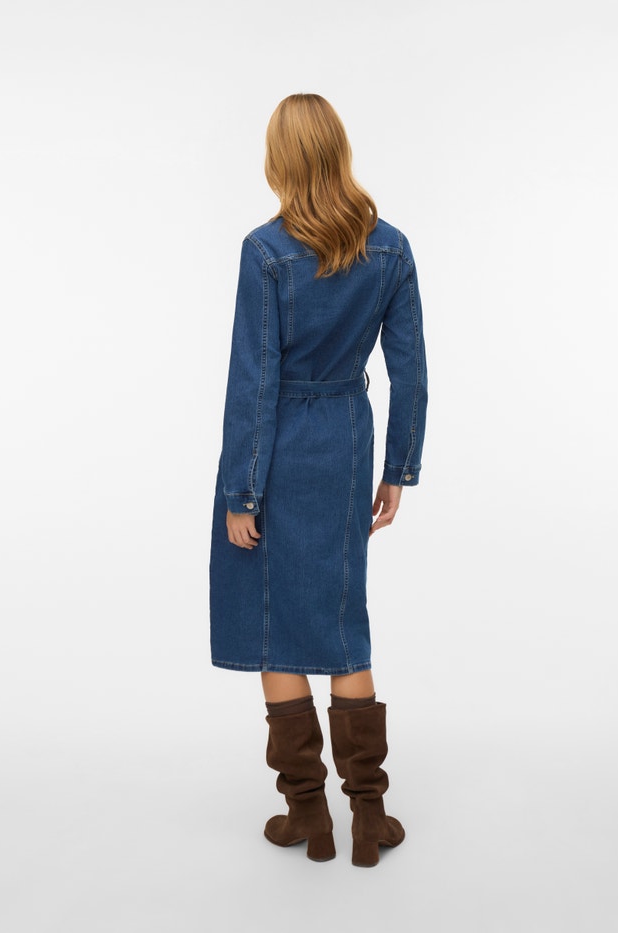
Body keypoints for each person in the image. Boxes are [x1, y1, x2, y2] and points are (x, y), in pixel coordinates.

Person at [209, 93, 427, 867]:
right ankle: (369, 816)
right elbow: (410, 370)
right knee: (340, 619)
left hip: (276, 449)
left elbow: (255, 379)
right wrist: (398, 467)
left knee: (275, 625)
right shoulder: (390, 247)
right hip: (346, 443)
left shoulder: (266, 251)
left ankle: (309, 814)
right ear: (338, 150)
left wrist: (242, 491)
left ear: (280, 159)